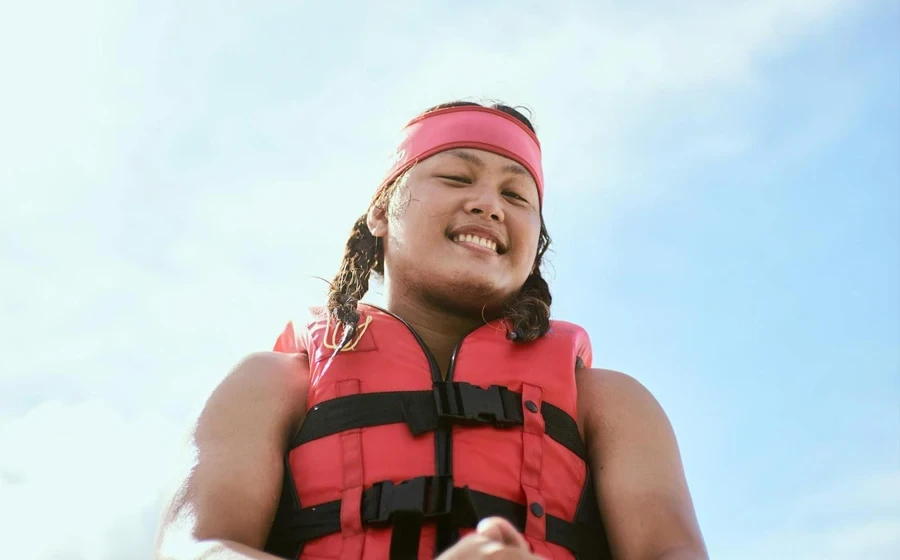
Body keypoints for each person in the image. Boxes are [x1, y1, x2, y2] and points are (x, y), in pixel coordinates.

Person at [154, 101, 708, 560]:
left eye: (516, 196)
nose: (488, 205)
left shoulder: (612, 405)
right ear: (380, 213)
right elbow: (197, 548)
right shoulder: (269, 386)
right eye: (456, 177)